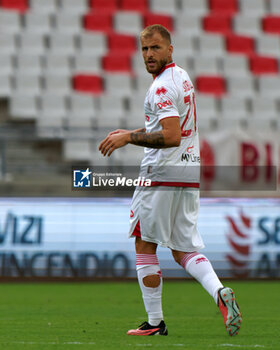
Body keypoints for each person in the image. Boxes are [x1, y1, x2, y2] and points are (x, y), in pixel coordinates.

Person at [99, 24, 242, 337]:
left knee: (144, 242)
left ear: (169, 49)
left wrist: (127, 138)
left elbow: (171, 135)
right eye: (145, 49)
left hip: (161, 174)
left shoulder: (161, 87)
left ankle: (154, 322)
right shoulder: (182, 76)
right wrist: (131, 132)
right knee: (182, 249)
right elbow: (167, 124)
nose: (149, 55)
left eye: (156, 48)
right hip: (188, 173)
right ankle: (219, 292)